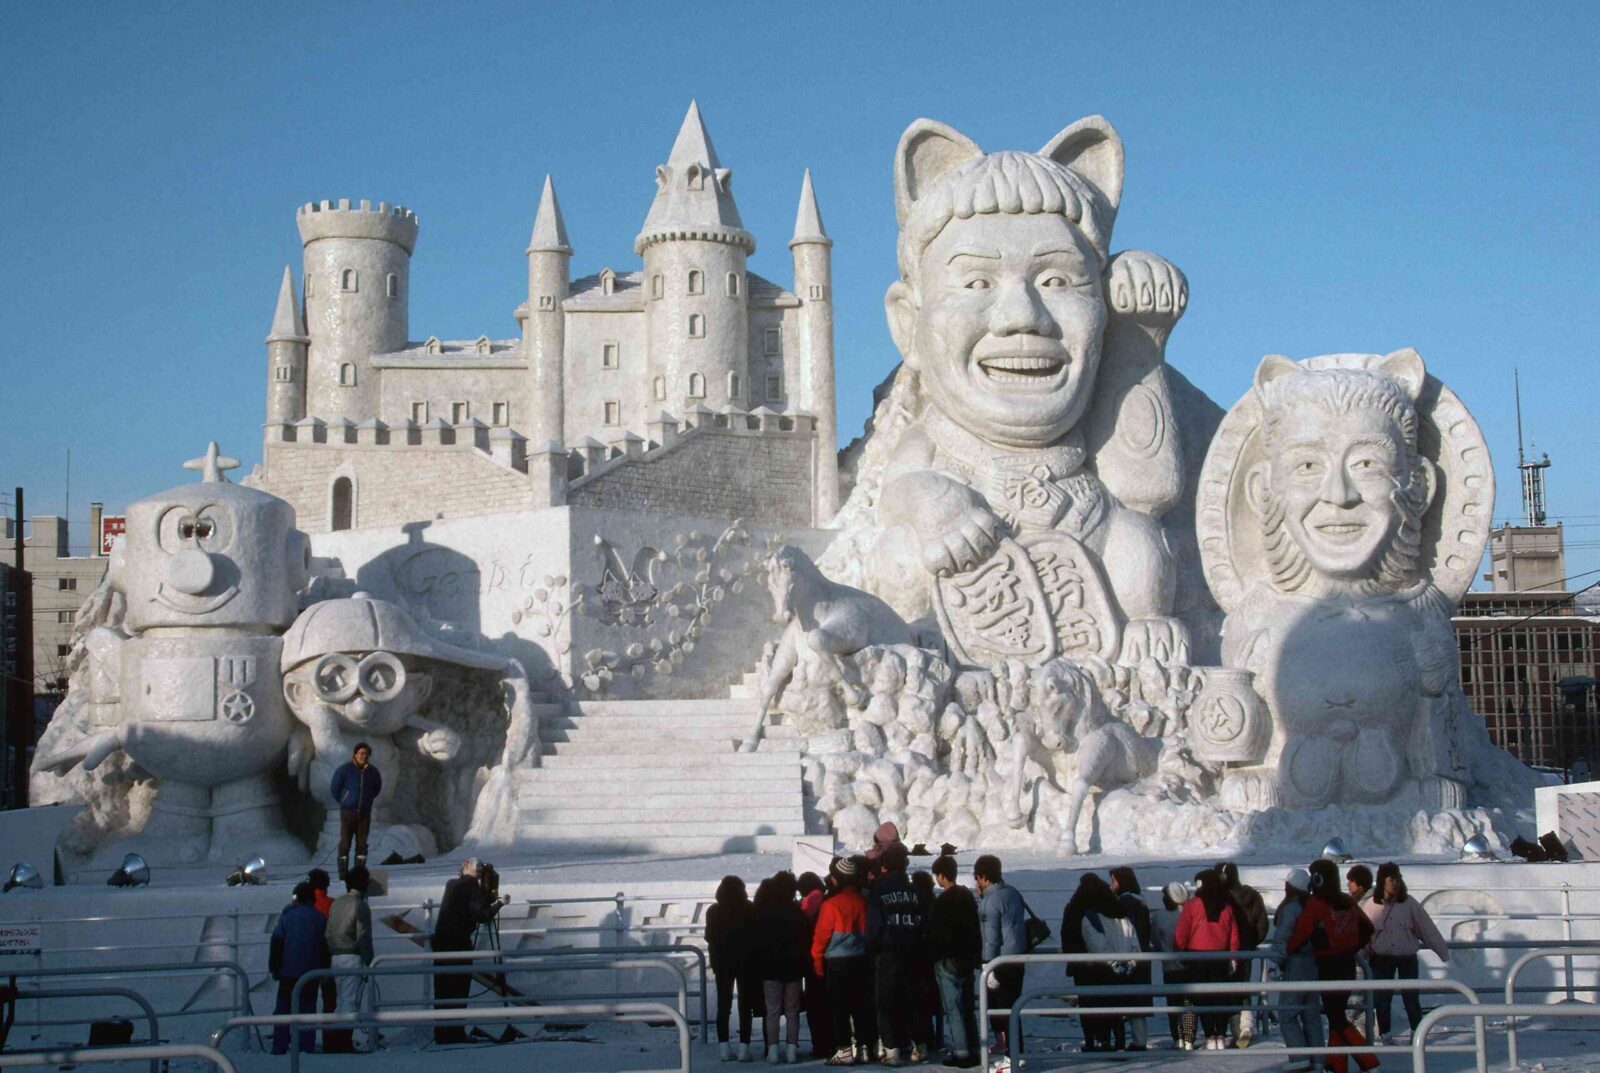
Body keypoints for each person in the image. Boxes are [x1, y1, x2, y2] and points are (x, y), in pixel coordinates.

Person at [1288, 859, 1378, 1073]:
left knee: (1336, 1016)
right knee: (1336, 1013)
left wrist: (1289, 950)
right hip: (1347, 962)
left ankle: (1369, 1061)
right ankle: (1336, 1064)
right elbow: (1367, 927)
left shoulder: (1316, 903)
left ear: (1317, 879)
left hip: (1328, 964)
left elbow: (1301, 933)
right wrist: (1352, 945)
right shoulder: (1346, 900)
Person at [1365, 862, 1448, 1043]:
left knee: (1411, 998)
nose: (1395, 883)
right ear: (1382, 881)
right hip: (1381, 959)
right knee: (1382, 1000)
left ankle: (1417, 1033)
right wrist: (1360, 955)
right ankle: (1385, 1034)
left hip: (1407, 958)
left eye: (1397, 879)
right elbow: (1364, 933)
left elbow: (1426, 929)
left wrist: (1442, 951)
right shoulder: (1372, 905)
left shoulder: (1409, 903)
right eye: (1391, 879)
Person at [430, 859, 506, 1045]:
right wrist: (500, 903)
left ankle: (442, 1033)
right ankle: (455, 1033)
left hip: (441, 942)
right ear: (479, 875)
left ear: (464, 868)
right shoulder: (474, 889)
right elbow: (483, 915)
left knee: (442, 990)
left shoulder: (452, 885)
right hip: (458, 943)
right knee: (458, 989)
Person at [868, 843, 932, 1065]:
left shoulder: (879, 890)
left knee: (885, 1002)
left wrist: (873, 945)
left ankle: (891, 1050)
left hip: (888, 952)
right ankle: (921, 1046)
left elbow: (873, 924)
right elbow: (925, 920)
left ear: (884, 865)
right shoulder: (915, 891)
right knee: (913, 1000)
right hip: (913, 949)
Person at [1064, 873, 1136, 1052]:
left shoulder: (1075, 907)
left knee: (1088, 1006)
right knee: (1111, 1004)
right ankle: (1114, 1040)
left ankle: (1092, 1041)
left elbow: (1067, 935)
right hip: (1107, 965)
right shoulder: (1111, 906)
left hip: (1083, 965)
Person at [813, 857, 873, 1066]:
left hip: (837, 962)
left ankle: (844, 1049)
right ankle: (865, 1047)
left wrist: (817, 960)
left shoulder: (831, 905)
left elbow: (821, 936)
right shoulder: (864, 901)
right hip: (861, 959)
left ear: (836, 880)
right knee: (861, 1005)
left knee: (839, 1007)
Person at [1174, 868, 1239, 1051]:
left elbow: (1182, 931)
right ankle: (1221, 1035)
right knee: (1220, 997)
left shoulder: (1192, 905)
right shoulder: (1226, 906)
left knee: (1203, 998)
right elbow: (1234, 934)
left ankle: (1210, 1035)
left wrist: (1178, 952)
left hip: (1196, 957)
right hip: (1220, 957)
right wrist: (1233, 956)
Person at [1267, 867, 1323, 1073]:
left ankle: (1299, 1056)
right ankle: (1318, 1059)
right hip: (1314, 964)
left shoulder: (1290, 909)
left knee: (1287, 1013)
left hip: (1296, 964)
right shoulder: (1312, 907)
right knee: (1311, 1014)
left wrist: (1274, 962)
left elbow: (1282, 938)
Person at [928, 855, 981, 1069]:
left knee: (954, 1009)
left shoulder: (942, 901)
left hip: (948, 960)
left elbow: (937, 934)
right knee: (968, 1008)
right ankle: (975, 1048)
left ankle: (961, 1052)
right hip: (968, 959)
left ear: (942, 875)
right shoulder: (967, 896)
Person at [975, 854, 1027, 1068]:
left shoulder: (990, 901)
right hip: (1018, 956)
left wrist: (988, 965)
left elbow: (991, 938)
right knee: (1012, 1006)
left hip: (1000, 961)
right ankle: (1009, 1048)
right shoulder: (1012, 893)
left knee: (1004, 1008)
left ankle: (1014, 1057)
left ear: (983, 877)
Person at [752, 871, 809, 1065]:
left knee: (772, 1012)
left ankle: (773, 1051)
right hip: (793, 969)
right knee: (792, 1012)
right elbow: (804, 941)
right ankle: (792, 1050)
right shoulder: (797, 912)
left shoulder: (765, 913)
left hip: (770, 968)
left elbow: (759, 943)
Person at [269, 882, 331, 1056]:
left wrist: (275, 967)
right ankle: (306, 1047)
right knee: (308, 1010)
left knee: (283, 1010)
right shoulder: (319, 918)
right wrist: (324, 969)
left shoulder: (287, 916)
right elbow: (324, 946)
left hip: (288, 971)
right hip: (311, 972)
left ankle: (279, 1046)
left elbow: (277, 942)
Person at [1217, 862, 1268, 1048]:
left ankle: (1236, 1031)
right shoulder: (1253, 896)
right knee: (1244, 987)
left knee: (1228, 991)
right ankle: (1247, 1026)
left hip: (1226, 951)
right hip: (1246, 949)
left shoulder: (1222, 897)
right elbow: (1263, 924)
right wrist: (1252, 941)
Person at [325, 865, 375, 1053]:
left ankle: (336, 1039)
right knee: (349, 1001)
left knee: (339, 999)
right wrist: (370, 961)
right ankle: (342, 1042)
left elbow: (328, 932)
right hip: (352, 955)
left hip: (335, 955)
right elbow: (363, 936)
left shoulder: (337, 903)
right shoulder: (360, 905)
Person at [707, 874, 758, 1062]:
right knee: (745, 1006)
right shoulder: (750, 909)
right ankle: (744, 1049)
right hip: (746, 963)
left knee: (723, 1006)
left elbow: (709, 936)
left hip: (722, 963)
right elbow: (755, 936)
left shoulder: (713, 912)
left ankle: (724, 1048)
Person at [1109, 866, 1153, 1051]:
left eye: (1114, 881)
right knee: (1138, 1003)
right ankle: (1140, 1039)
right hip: (1141, 956)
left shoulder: (1125, 903)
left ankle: (1135, 1041)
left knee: (1128, 1000)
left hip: (1128, 955)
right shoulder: (1140, 902)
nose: (1111, 885)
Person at [330, 742, 382, 882]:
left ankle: (359, 873)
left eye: (366, 754)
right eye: (361, 753)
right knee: (345, 842)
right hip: (348, 812)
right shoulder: (344, 770)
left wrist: (367, 799)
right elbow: (335, 788)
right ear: (355, 754)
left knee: (362, 843)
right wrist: (345, 800)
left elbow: (377, 788)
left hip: (365, 812)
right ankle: (343, 873)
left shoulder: (373, 772)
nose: (363, 756)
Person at [797, 872, 832, 1060]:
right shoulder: (824, 897)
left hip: (814, 958)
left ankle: (820, 1044)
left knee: (815, 1005)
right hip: (827, 958)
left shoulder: (811, 900)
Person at [1150, 881, 1189, 1045]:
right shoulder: (1190, 913)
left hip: (1170, 967)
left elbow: (1154, 939)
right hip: (1190, 966)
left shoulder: (1159, 916)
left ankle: (1177, 1037)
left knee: (1173, 1005)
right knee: (1189, 1003)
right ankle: (1189, 1036)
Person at [306, 869, 338, 1045]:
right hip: (327, 956)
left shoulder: (304, 905)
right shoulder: (332, 904)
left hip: (308, 956)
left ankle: (305, 1037)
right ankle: (329, 1037)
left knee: (306, 997)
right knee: (329, 999)